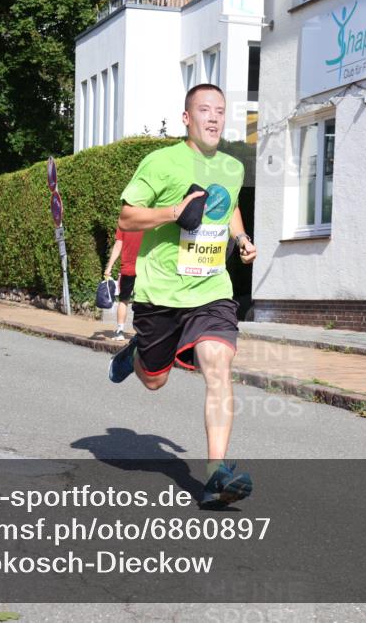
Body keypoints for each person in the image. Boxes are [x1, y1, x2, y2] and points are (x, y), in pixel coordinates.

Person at [108, 83, 257, 506]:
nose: (214, 118)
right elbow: (127, 216)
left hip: (211, 289)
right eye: (205, 110)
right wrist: (174, 212)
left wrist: (241, 237)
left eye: (220, 111)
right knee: (155, 380)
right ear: (187, 118)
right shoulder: (161, 162)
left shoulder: (233, 167)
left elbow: (229, 206)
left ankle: (216, 475)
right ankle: (137, 355)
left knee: (218, 364)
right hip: (161, 292)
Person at [103, 227, 144, 340]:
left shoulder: (124, 224)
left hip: (127, 269)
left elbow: (117, 246)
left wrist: (109, 267)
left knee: (123, 301)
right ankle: (142, 333)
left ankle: (120, 331)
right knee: (143, 301)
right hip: (144, 269)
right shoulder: (147, 222)